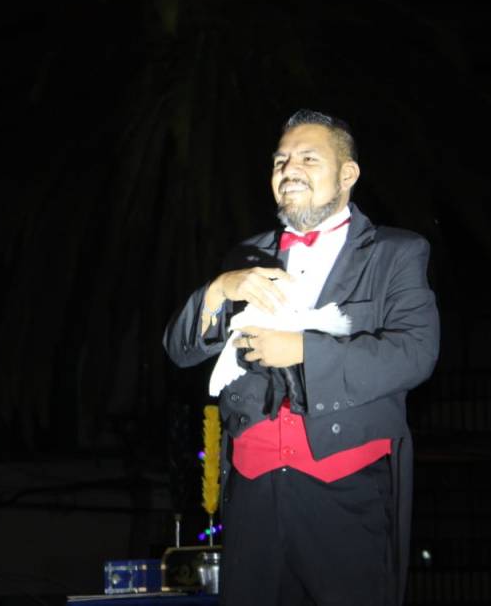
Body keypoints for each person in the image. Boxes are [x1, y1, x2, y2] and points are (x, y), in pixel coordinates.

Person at [163, 109, 440, 606]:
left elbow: (415, 353)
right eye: (281, 161)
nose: (289, 170)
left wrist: (303, 351)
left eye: (309, 159)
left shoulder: (396, 253)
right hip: (252, 494)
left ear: (347, 174)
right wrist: (218, 290)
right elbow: (180, 351)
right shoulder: (246, 256)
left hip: (345, 490)